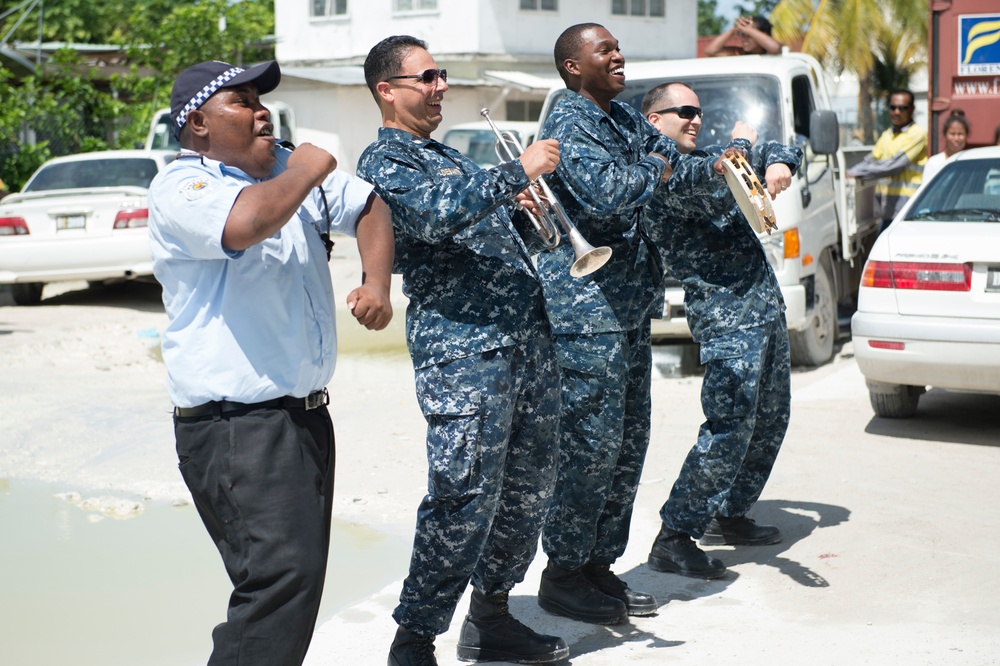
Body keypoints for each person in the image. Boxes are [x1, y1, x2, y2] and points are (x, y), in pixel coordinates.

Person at [147, 60, 394, 666]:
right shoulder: (184, 187)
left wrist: (377, 284)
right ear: (197, 123)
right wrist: (310, 168)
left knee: (296, 580)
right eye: (241, 100)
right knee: (277, 581)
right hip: (236, 427)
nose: (261, 110)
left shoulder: (285, 169)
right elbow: (246, 223)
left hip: (302, 418)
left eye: (261, 99)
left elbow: (370, 206)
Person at [356, 35, 568, 666]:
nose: (440, 85)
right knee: (463, 490)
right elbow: (434, 218)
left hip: (524, 342)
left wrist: (527, 210)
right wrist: (516, 173)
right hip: (463, 351)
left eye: (441, 74)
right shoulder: (385, 162)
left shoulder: (448, 157)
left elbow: (496, 227)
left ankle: (493, 614)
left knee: (528, 488)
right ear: (387, 91)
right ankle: (415, 638)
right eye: (425, 77)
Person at [534, 23, 735, 626]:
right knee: (589, 448)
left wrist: (721, 165)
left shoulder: (623, 120)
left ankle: (599, 566)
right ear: (574, 67)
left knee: (626, 444)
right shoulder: (568, 124)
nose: (618, 55)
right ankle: (564, 573)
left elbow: (678, 166)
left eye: (618, 47)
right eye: (605, 50)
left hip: (627, 309)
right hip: (585, 313)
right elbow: (605, 194)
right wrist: (658, 167)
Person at [640, 81, 802, 578]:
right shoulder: (665, 171)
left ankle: (729, 511)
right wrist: (747, 146)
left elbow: (778, 144)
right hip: (727, 316)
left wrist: (779, 162)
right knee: (730, 424)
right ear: (654, 121)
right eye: (683, 111)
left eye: (697, 111)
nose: (695, 118)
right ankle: (675, 535)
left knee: (771, 416)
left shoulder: (707, 155)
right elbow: (721, 176)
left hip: (761, 303)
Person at [847, 89, 927, 232]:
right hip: (886, 210)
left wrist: (857, 173)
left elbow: (894, 165)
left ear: (912, 109)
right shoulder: (887, 135)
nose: (897, 112)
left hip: (909, 210)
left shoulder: (918, 134)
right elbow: (869, 160)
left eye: (903, 108)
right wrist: (851, 172)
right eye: (893, 107)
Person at [923, 109, 969, 183]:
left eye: (960, 134)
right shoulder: (934, 163)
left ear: (966, 136)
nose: (956, 138)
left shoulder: (970, 162)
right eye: (952, 134)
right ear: (945, 135)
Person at [705, 15, 783, 57]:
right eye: (742, 34)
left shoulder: (773, 52)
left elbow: (775, 48)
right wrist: (734, 30)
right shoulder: (740, 53)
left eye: (749, 35)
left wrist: (748, 30)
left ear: (764, 34)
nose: (744, 39)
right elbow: (710, 51)